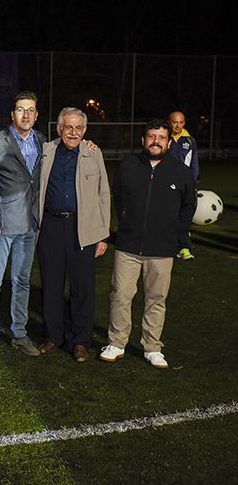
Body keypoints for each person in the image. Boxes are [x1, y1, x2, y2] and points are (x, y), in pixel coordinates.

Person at [99, 119, 196, 368]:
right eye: (151, 136)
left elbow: (188, 207)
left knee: (156, 298)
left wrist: (176, 235)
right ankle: (117, 342)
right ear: (143, 140)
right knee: (120, 296)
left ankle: (152, 347)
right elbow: (118, 198)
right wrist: (126, 224)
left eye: (161, 137)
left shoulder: (180, 172)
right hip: (128, 246)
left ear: (168, 141)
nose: (156, 141)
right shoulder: (129, 165)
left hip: (162, 249)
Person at [36, 107, 110, 362]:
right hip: (51, 227)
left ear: (85, 131)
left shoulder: (93, 153)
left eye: (79, 128)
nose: (74, 132)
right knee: (52, 285)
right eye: (69, 127)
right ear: (59, 128)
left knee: (83, 288)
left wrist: (102, 235)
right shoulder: (46, 151)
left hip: (84, 228)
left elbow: (103, 194)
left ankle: (80, 341)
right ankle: (52, 336)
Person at [0, 91, 45, 358]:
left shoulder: (41, 140)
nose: (25, 115)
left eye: (30, 110)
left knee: (22, 281)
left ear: (36, 115)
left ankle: (19, 333)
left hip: (29, 225)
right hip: (1, 227)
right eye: (20, 109)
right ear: (12, 114)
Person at [167, 110, 199, 260]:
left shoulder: (190, 141)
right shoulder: (164, 138)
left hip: (185, 184)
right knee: (167, 215)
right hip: (166, 182)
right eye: (175, 122)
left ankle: (184, 247)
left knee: (184, 216)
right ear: (169, 122)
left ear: (184, 123)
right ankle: (168, 245)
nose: (177, 125)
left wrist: (194, 183)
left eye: (180, 122)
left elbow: (194, 163)